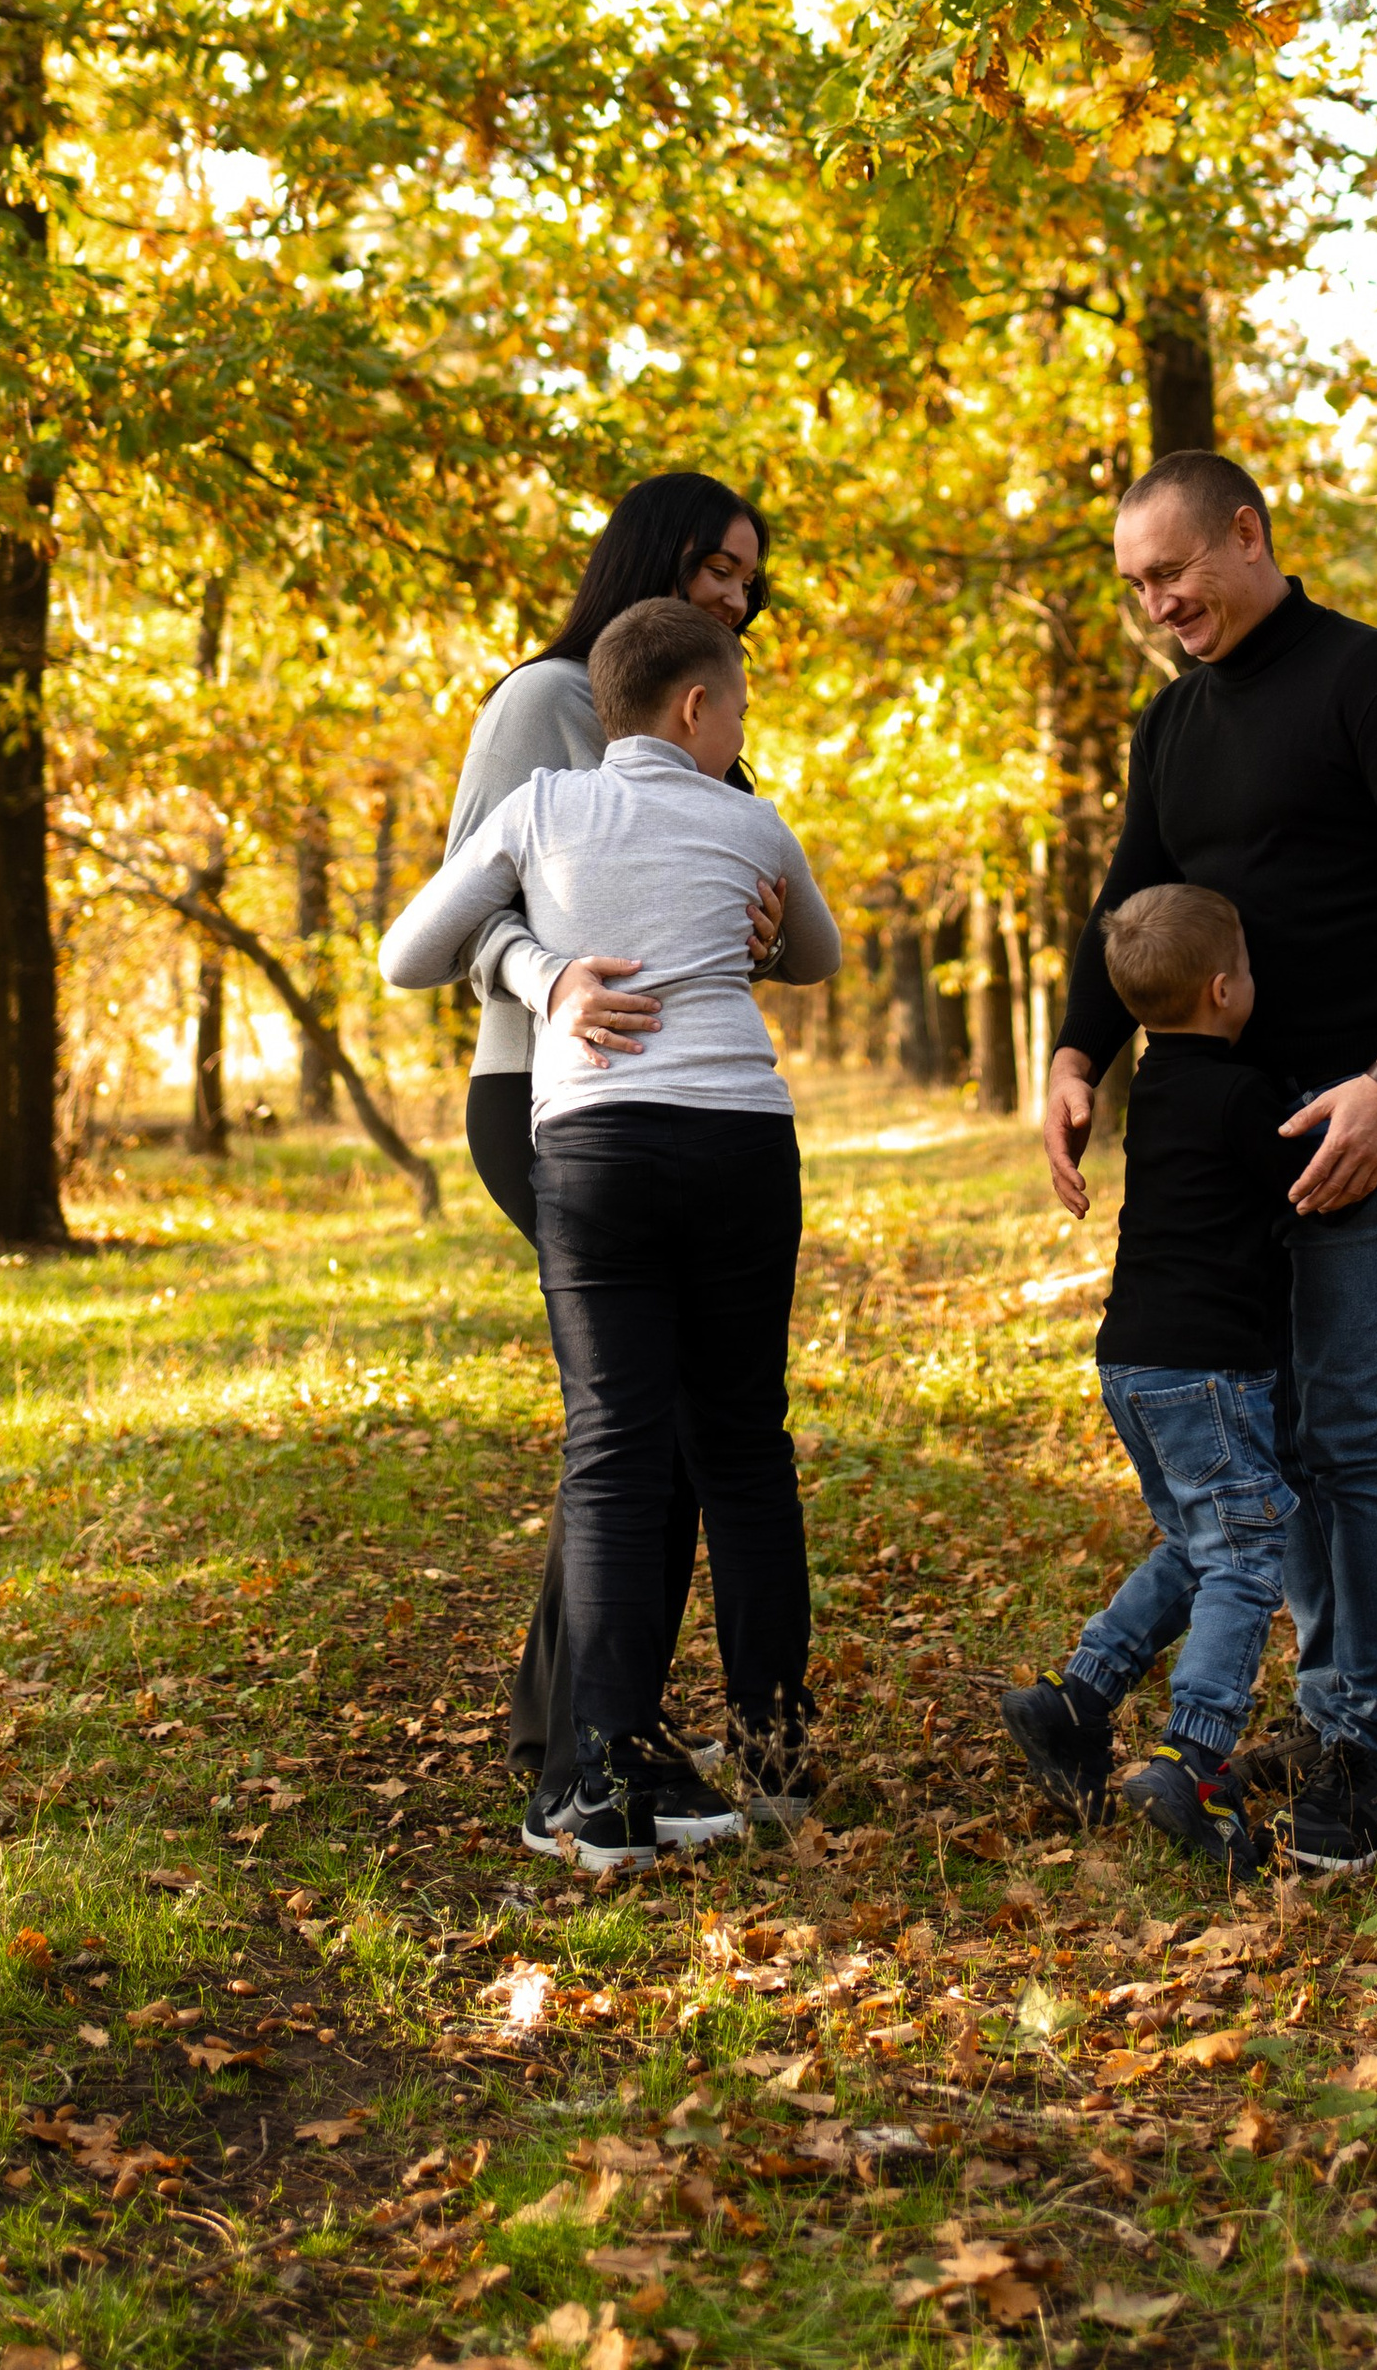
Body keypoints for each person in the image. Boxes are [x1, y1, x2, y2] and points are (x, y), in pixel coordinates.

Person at [1047, 450, 1377, 1876]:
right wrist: (1075, 1053)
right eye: (1136, 587)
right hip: (1231, 1144)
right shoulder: (1174, 724)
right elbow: (1129, 895)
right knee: (1272, 1440)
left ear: (1246, 536)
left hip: (1362, 1113)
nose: (1158, 605)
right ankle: (1313, 1713)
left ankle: (1359, 1749)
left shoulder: (1376, 681)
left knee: (1351, 1433)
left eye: (1173, 572)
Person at [382, 597, 840, 1873]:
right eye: (737, 705)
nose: (741, 728)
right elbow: (817, 952)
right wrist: (751, 919)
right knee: (744, 1444)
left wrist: (538, 965)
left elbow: (408, 955)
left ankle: (604, 1770)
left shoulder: (541, 812)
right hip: (743, 1142)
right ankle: (779, 1759)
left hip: (598, 1152)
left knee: (615, 1450)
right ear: (694, 708)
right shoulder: (752, 822)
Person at [439, 471, 785, 1844]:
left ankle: (596, 1726)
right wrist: (552, 973)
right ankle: (581, 1748)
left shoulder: (696, 723)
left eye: (750, 578)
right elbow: (460, 907)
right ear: (652, 554)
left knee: (670, 1427)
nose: (735, 594)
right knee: (641, 1429)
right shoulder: (544, 700)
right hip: (547, 1098)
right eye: (716, 566)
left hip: (684, 1120)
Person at [1001, 882, 1301, 1883]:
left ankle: (1076, 1698)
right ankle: (1194, 1756)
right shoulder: (1247, 1097)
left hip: (1132, 1356)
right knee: (1245, 1559)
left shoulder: (1159, 1086)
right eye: (1252, 968)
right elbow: (1301, 1188)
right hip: (1208, 1367)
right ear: (1224, 990)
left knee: (1195, 1537)